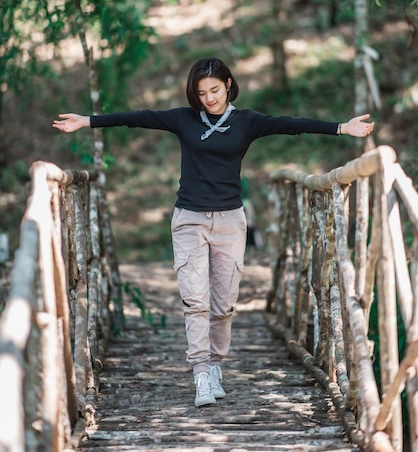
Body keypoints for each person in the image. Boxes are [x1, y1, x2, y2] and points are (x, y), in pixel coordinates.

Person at [53, 57, 375, 408]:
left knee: (223, 305)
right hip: (189, 219)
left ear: (229, 85)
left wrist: (343, 127)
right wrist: (86, 121)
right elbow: (137, 118)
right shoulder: (183, 119)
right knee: (196, 301)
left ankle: (216, 364)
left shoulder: (247, 121)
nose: (209, 98)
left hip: (230, 223)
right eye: (201, 92)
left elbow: (291, 124)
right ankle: (201, 373)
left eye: (215, 90)